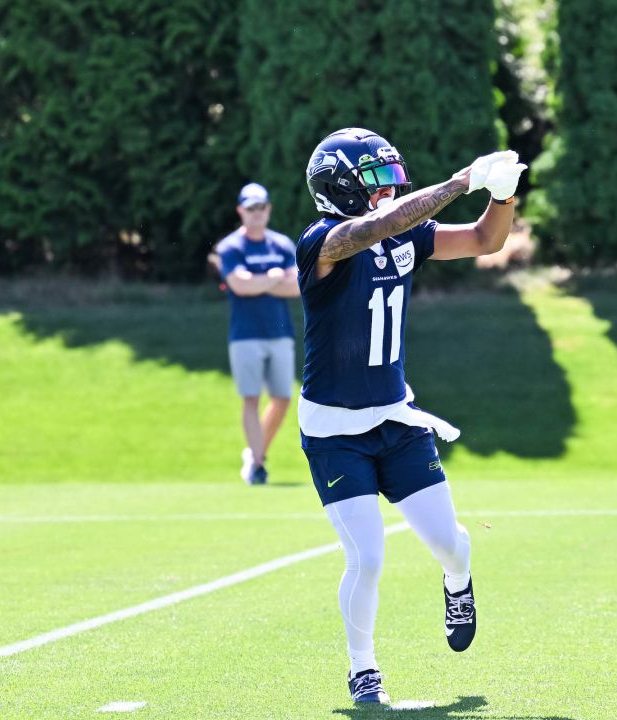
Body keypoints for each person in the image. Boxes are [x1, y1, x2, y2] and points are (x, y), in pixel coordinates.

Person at [293, 128, 525, 705]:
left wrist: (503, 195)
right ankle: (363, 667)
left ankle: (457, 583)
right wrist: (460, 181)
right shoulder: (322, 242)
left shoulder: (402, 232)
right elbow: (376, 229)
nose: (388, 189)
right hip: (334, 432)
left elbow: (483, 241)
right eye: (374, 179)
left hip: (396, 420)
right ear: (340, 187)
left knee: (452, 545)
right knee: (366, 556)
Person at [213, 183, 301, 485]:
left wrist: (261, 281)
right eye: (250, 208)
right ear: (241, 211)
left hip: (279, 333)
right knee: (251, 397)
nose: (256, 213)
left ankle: (254, 453)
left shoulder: (282, 245)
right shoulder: (230, 248)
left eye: (261, 207)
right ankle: (259, 464)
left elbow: (297, 287)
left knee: (282, 398)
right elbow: (240, 286)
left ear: (268, 209)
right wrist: (274, 278)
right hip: (245, 335)